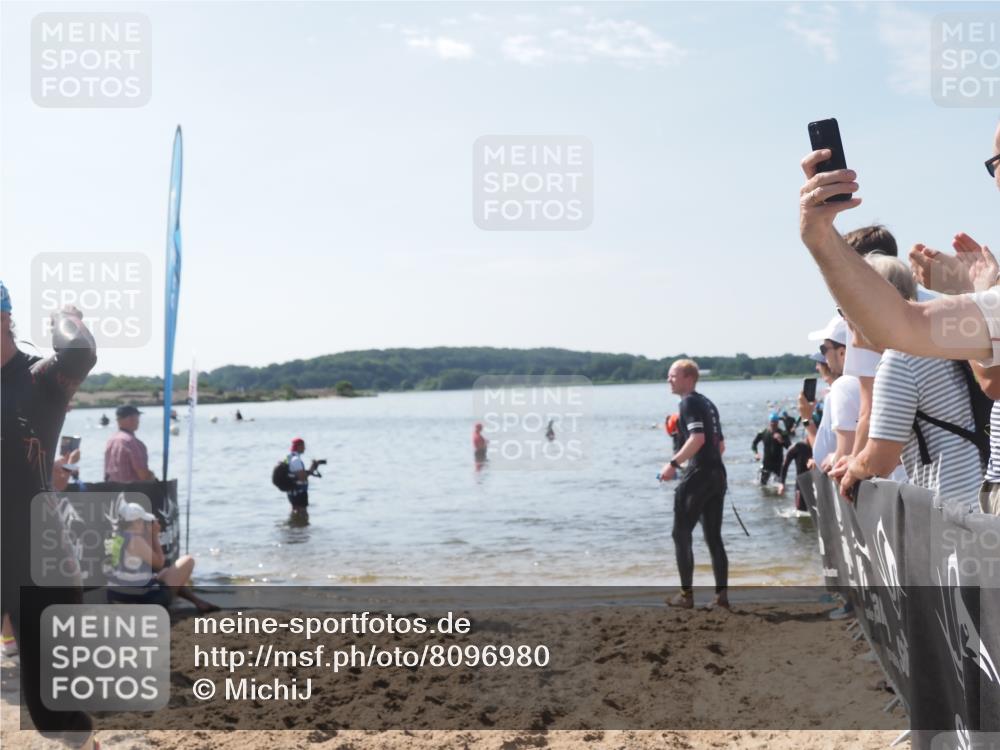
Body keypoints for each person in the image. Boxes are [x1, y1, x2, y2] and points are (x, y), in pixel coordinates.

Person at [798, 121, 1000, 513]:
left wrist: (819, 235)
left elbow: (897, 326)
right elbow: (992, 382)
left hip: (958, 513)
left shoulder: (900, 359)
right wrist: (972, 292)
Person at [1, 282, 97, 747]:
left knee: (52, 711)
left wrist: (64, 315)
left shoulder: (39, 380)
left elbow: (79, 352)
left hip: (37, 555)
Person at [831, 256, 985, 512]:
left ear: (872, 304)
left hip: (958, 511)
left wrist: (854, 468)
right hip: (981, 499)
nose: (844, 318)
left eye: (846, 305)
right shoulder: (934, 342)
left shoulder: (899, 358)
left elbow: (881, 458)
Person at [658, 359, 729, 610]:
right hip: (717, 474)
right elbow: (720, 445)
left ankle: (686, 595)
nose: (669, 380)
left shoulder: (687, 402)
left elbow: (698, 438)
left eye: (673, 375)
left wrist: (673, 465)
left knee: (680, 534)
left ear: (688, 378)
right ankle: (721, 597)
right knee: (713, 537)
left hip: (699, 474)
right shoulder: (708, 403)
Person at [105, 502, 217, 612]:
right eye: (143, 521)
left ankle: (198, 602)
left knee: (165, 572)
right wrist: (154, 535)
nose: (145, 524)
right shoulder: (135, 540)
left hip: (116, 594)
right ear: (136, 522)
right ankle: (196, 603)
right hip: (138, 599)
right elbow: (159, 563)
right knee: (188, 561)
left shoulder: (117, 536)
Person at [104, 405, 155, 482]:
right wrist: (152, 475)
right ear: (131, 418)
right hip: (133, 491)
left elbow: (106, 473)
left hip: (113, 491)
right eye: (137, 417)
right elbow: (143, 475)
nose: (138, 421)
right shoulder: (131, 442)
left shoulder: (111, 441)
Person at [285, 437, 322, 514]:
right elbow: (302, 477)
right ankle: (301, 525)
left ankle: (294, 525)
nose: (305, 448)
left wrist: (311, 469)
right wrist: (312, 468)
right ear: (299, 446)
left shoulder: (288, 457)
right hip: (300, 492)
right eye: (303, 446)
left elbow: (294, 474)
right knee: (303, 514)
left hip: (292, 492)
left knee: (295, 512)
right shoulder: (296, 459)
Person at [752, 412, 789, 485]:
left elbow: (789, 446)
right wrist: (756, 454)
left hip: (778, 462)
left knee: (780, 484)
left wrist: (781, 440)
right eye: (772, 422)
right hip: (767, 462)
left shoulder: (782, 433)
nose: (774, 424)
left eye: (775, 422)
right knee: (762, 484)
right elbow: (754, 444)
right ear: (769, 422)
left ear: (778, 422)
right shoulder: (763, 432)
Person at [779, 440, 813, 511]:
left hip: (816, 484)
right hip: (801, 485)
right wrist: (782, 483)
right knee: (800, 511)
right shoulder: (798, 447)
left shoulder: (821, 446)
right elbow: (785, 464)